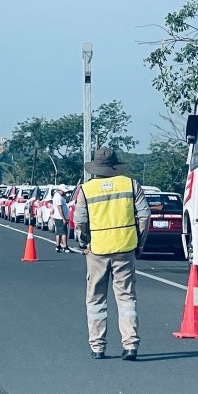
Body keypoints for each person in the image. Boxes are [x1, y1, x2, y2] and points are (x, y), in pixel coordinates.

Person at [74, 147, 150, 361]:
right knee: (126, 298)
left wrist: (84, 243)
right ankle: (131, 345)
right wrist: (140, 242)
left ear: (95, 168)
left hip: (97, 251)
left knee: (96, 299)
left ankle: (98, 347)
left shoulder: (86, 190)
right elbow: (144, 215)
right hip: (125, 248)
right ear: (115, 167)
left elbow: (79, 221)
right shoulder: (131, 184)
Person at [52, 185, 71, 253]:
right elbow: (59, 208)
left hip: (58, 217)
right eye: (63, 191)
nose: (64, 193)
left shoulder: (58, 196)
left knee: (59, 232)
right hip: (60, 217)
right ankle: (65, 247)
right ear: (60, 190)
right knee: (63, 232)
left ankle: (58, 246)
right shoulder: (58, 197)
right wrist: (63, 218)